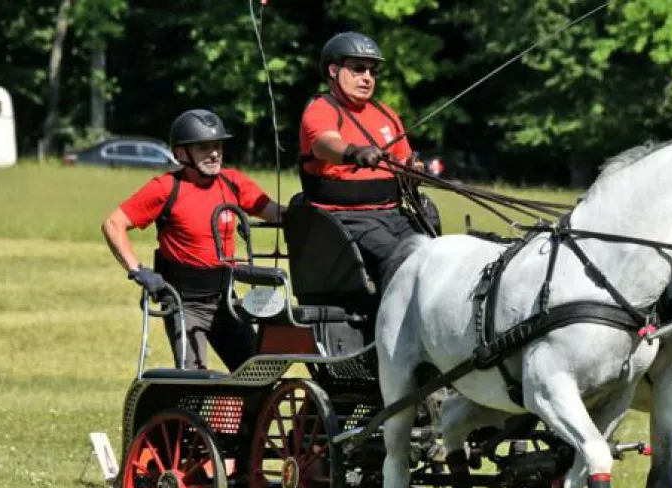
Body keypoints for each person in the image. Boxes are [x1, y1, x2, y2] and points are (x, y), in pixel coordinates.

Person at [102, 109, 283, 371]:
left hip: (225, 301)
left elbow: (276, 213)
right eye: (203, 148)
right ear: (180, 154)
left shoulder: (233, 183)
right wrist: (137, 271)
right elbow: (113, 224)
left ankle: (247, 412)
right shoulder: (166, 188)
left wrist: (308, 209)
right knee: (194, 378)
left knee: (258, 372)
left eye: (218, 146)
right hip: (183, 303)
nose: (214, 154)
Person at [298, 31, 429, 287]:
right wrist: (353, 152)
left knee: (433, 255)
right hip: (345, 219)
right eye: (358, 69)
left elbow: (404, 162)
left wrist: (415, 171)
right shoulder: (322, 109)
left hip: (394, 213)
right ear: (334, 70)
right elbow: (325, 144)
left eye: (372, 71)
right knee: (404, 259)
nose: (368, 78)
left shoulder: (386, 113)